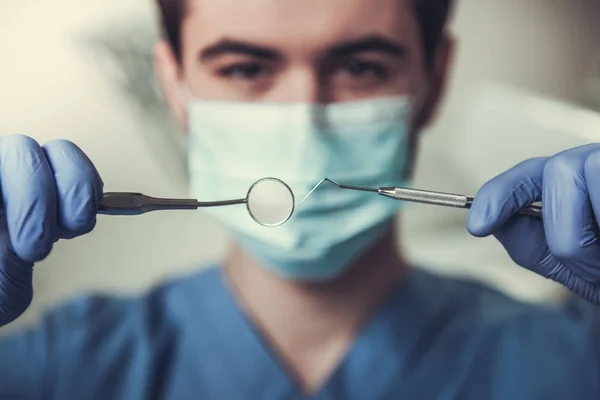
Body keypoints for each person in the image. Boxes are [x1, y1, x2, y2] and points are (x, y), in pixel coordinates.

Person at [1, 0, 600, 398]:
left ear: (434, 80)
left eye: (360, 66)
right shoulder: (54, 369)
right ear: (174, 86)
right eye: (243, 67)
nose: (304, 119)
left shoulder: (569, 365)